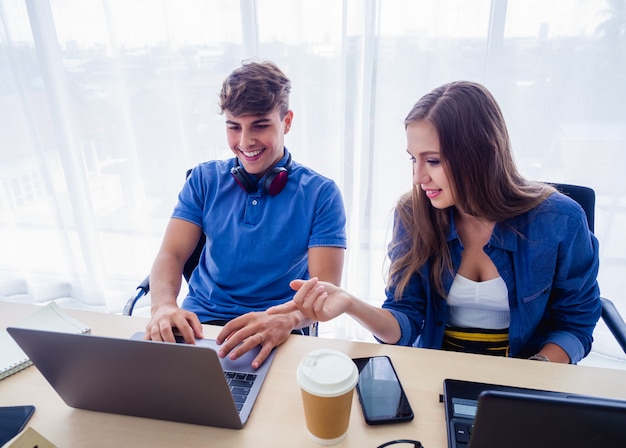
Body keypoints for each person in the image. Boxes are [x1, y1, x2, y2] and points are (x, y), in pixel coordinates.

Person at [274, 80, 601, 364]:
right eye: (413, 159)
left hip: (522, 385)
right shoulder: (413, 215)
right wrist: (350, 304)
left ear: (482, 152)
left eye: (432, 160)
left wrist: (536, 371)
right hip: (436, 380)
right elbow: (405, 321)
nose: (418, 177)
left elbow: (576, 322)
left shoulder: (560, 221)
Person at [145, 60, 346, 369]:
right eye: (234, 127)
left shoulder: (322, 194)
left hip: (277, 327)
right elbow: (171, 254)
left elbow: (327, 292)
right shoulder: (203, 179)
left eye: (260, 125)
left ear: (287, 121)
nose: (245, 142)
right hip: (202, 326)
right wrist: (162, 306)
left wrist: (290, 318)